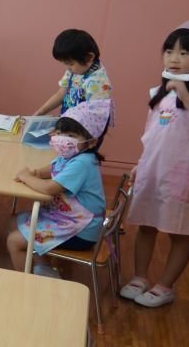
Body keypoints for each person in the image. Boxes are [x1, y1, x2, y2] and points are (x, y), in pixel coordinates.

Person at [121, 22, 189, 308]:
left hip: (184, 175)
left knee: (179, 231)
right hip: (152, 170)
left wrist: (185, 95)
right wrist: (140, 163)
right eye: (169, 50)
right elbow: (153, 134)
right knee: (145, 226)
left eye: (185, 52)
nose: (174, 57)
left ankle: (165, 286)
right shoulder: (158, 92)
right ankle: (140, 277)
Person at [7, 100, 111, 275]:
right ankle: (45, 269)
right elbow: (52, 169)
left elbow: (50, 189)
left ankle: (24, 283)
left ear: (91, 143)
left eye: (71, 135)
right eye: (61, 133)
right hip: (66, 218)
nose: (63, 139)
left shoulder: (83, 162)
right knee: (16, 220)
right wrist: (35, 173)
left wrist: (26, 177)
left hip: (81, 231)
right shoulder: (70, 155)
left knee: (14, 241)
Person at [31, 29, 113, 117]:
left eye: (70, 64)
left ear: (89, 57)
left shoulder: (98, 83)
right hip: (68, 123)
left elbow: (94, 118)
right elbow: (61, 93)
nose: (67, 68)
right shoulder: (74, 71)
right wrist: (41, 112)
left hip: (83, 128)